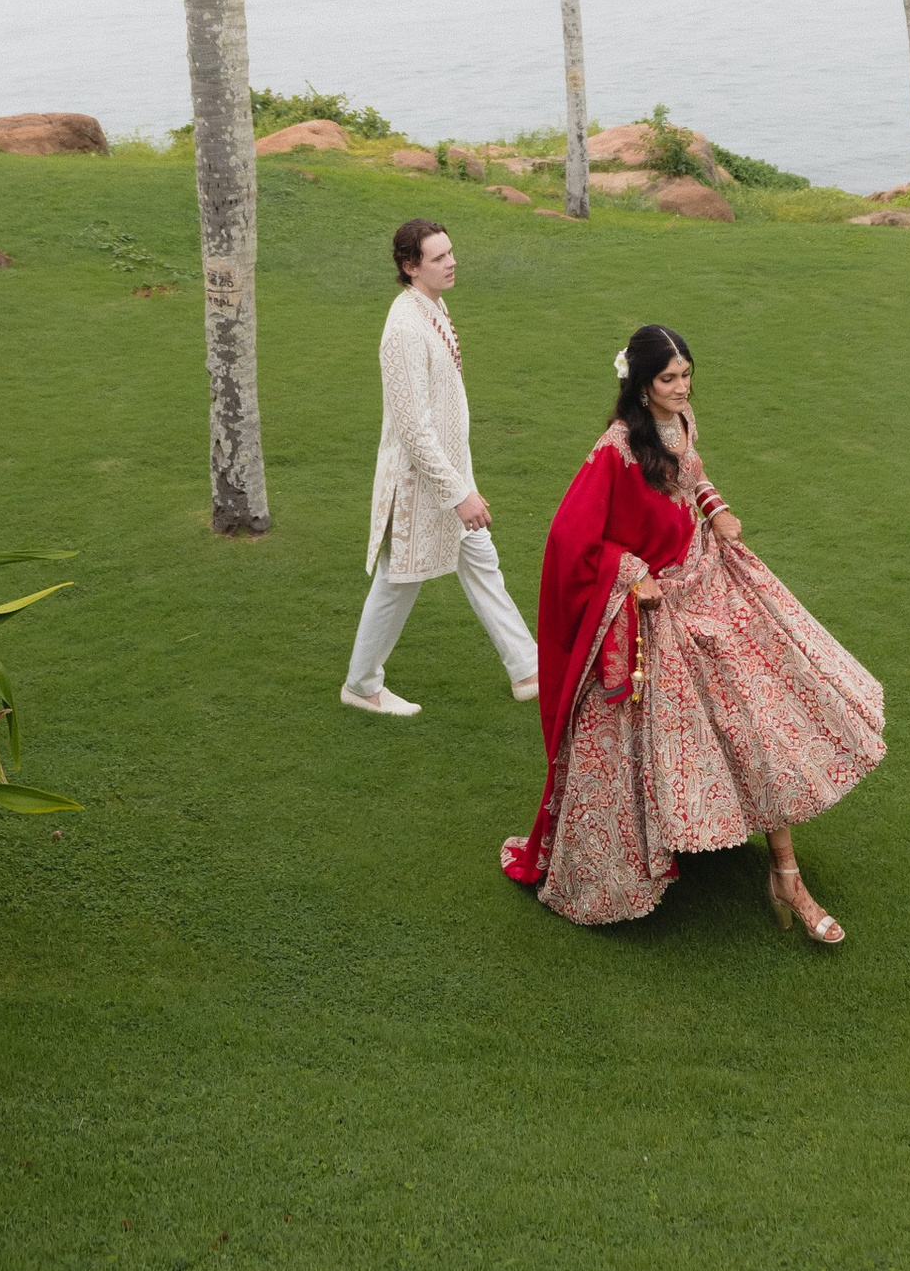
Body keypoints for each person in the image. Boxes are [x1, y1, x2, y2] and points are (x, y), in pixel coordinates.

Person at [501, 322, 882, 938]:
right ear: (640, 384)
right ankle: (646, 860)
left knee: (762, 707)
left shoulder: (681, 423)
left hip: (708, 577)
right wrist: (629, 574)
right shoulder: (615, 448)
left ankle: (785, 870)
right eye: (669, 379)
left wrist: (716, 507)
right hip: (656, 607)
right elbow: (570, 538)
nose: (682, 389)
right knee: (662, 729)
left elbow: (693, 473)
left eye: (687, 378)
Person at [342, 217, 541, 718]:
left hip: (450, 476)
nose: (451, 262)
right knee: (397, 580)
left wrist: (462, 481)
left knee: (481, 563)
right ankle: (362, 685)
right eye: (438, 257)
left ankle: (527, 669)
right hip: (419, 485)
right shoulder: (403, 328)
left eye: (451, 252)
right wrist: (459, 493)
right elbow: (413, 428)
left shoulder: (432, 305)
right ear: (410, 267)